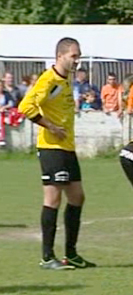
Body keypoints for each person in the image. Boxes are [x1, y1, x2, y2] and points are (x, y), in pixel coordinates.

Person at [18, 37, 96, 270]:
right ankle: (47, 257)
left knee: (77, 197)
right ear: (59, 56)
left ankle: (71, 254)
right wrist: (51, 126)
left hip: (67, 148)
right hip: (52, 148)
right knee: (53, 199)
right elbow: (25, 107)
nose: (77, 60)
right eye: (73, 56)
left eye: (78, 56)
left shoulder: (66, 78)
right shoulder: (49, 79)